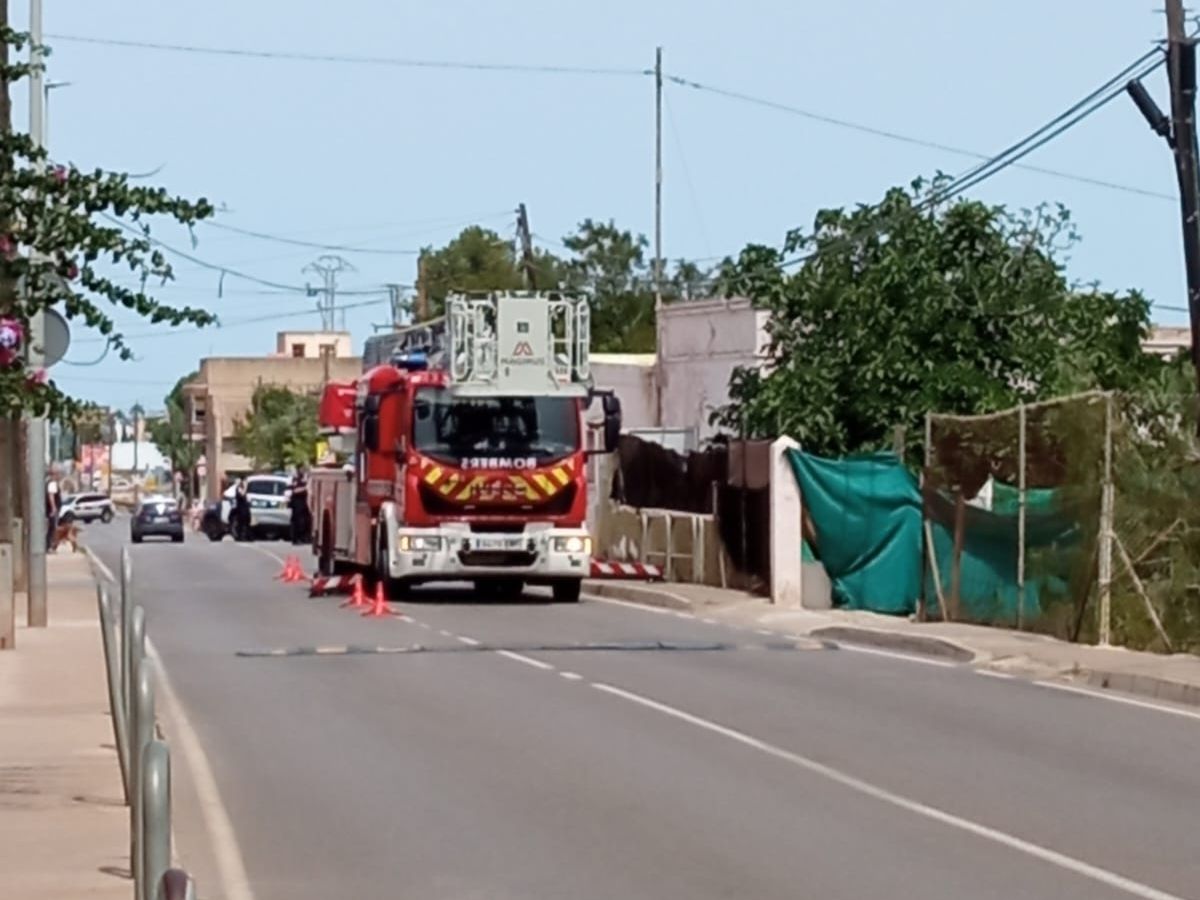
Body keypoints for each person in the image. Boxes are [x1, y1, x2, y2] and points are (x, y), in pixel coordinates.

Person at [289, 465, 310, 545]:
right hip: (297, 502)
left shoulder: (303, 479)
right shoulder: (296, 479)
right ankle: (295, 539)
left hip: (303, 501)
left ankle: (303, 538)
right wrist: (305, 488)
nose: (303, 470)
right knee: (297, 521)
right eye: (302, 469)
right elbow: (294, 490)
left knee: (305, 521)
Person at [45, 466, 61, 552]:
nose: (59, 476)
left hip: (50, 510)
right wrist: (54, 508)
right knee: (52, 529)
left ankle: (49, 546)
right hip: (52, 511)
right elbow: (51, 496)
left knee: (51, 528)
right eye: (57, 474)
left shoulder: (49, 482)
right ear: (54, 475)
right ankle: (49, 546)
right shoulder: (52, 483)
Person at [233, 477, 251, 541]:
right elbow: (242, 494)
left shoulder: (242, 489)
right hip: (241, 509)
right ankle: (240, 537)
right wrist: (246, 487)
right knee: (241, 523)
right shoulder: (238, 489)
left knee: (246, 523)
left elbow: (245, 496)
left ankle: (246, 536)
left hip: (245, 508)